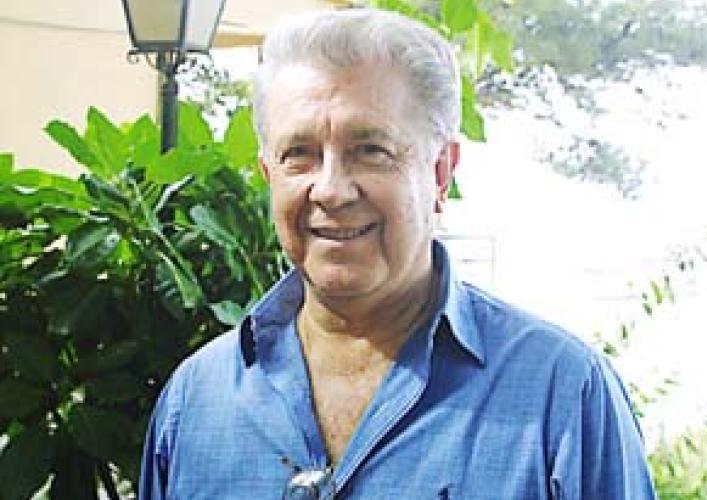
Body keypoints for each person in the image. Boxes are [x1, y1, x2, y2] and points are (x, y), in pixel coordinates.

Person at [139, 8, 657, 499]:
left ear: (440, 173)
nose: (331, 190)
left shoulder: (560, 395)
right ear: (269, 175)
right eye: (300, 154)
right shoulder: (196, 402)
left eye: (371, 151)